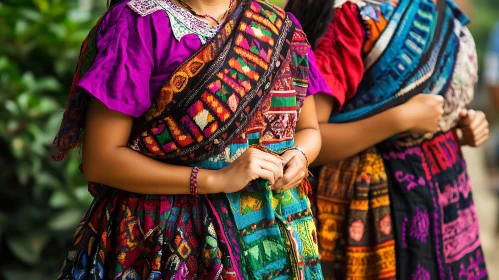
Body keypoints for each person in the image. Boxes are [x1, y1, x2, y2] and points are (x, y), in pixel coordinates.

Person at [53, 0, 332, 278]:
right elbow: (101, 160)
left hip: (277, 236)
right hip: (166, 241)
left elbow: (308, 130)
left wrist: (300, 155)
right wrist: (214, 179)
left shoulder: (281, 27)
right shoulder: (140, 22)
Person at [287, 0, 489, 279]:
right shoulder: (353, 17)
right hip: (374, 209)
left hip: (448, 196)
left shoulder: (436, 8)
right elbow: (306, 139)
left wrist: (461, 126)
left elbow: (433, 104)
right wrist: (399, 120)